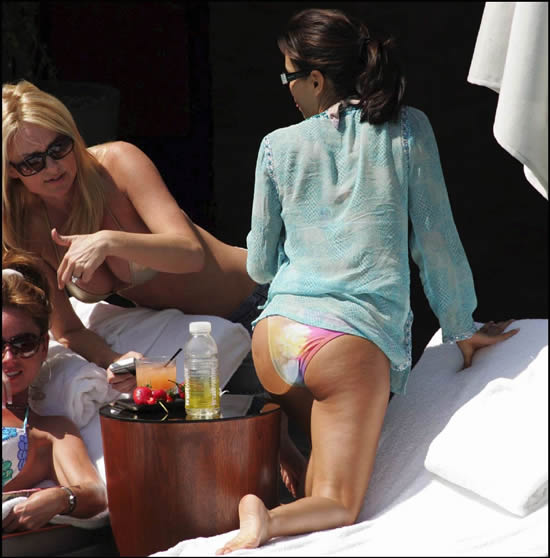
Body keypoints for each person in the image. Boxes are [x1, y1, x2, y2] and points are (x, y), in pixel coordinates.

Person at [216, 8, 520, 554]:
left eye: (288, 76)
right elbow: (435, 240)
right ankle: (265, 518)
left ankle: (285, 506)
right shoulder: (408, 129)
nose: (288, 89)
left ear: (315, 80)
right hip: (347, 344)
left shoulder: (277, 146)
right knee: (339, 505)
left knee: (322, 488)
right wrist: (461, 326)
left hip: (276, 338)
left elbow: (259, 266)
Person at [2, 80, 266, 394]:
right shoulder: (26, 226)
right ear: (12, 170)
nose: (52, 167)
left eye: (58, 147)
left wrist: (109, 241)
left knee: (290, 424)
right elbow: (68, 330)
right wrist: (115, 360)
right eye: (33, 162)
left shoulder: (116, 165)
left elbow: (191, 253)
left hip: (257, 307)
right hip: (196, 343)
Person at [2, 249, 107, 532]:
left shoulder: (50, 433)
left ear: (43, 348)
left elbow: (94, 492)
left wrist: (62, 498)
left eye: (23, 344)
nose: (9, 358)